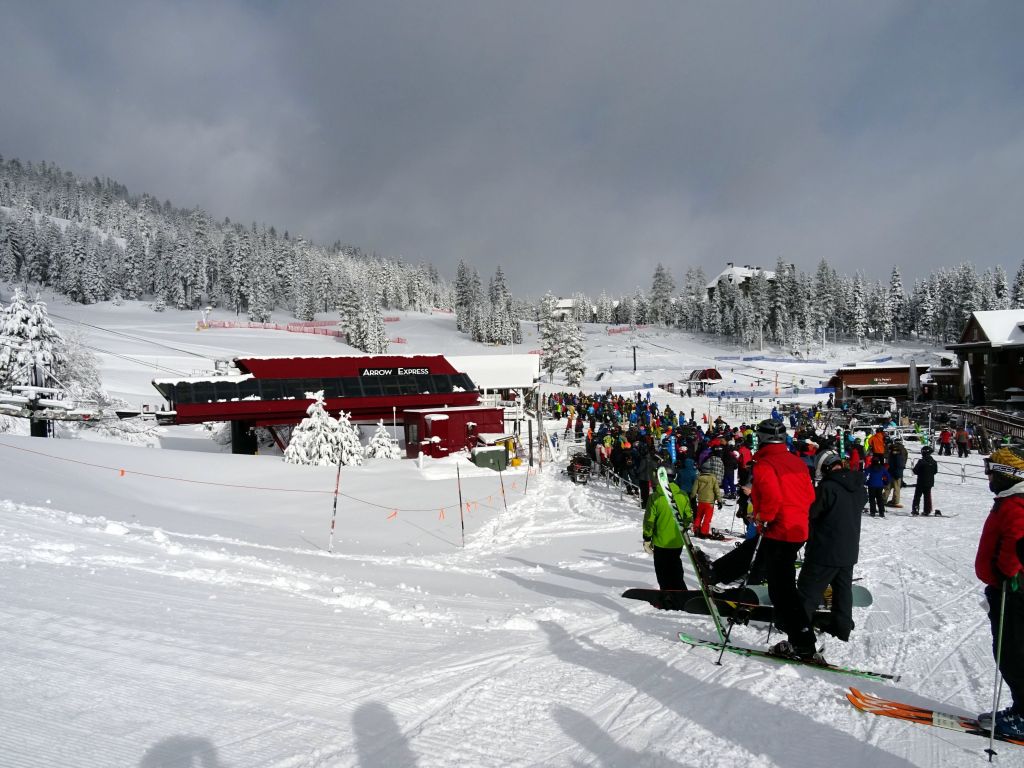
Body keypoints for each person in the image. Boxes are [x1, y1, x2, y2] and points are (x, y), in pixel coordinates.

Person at [749, 419, 817, 660]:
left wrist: (762, 518)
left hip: (779, 531)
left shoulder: (765, 464)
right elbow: (810, 495)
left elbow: (772, 499)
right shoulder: (796, 461)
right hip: (798, 529)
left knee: (783, 591)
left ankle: (803, 642)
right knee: (783, 587)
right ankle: (798, 637)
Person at [792, 450, 866, 644]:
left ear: (824, 468)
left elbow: (812, 514)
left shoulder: (827, 488)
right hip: (848, 550)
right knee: (842, 591)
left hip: (824, 550)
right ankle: (841, 628)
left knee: (808, 591)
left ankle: (800, 634)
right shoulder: (857, 487)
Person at [975, 447, 1024, 738]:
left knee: (1013, 654)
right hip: (1005, 589)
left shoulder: (1017, 504)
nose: (988, 476)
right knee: (1009, 652)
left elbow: (1017, 544)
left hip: (1013, 592)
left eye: (992, 471)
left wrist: (1004, 573)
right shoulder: (1010, 500)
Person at [642, 469, 694, 590]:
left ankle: (667, 593)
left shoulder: (655, 497)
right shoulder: (683, 495)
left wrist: (647, 538)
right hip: (677, 540)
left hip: (661, 542)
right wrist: (685, 526)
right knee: (675, 565)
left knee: (662, 570)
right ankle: (680, 589)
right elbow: (688, 517)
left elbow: (649, 520)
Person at [692, 461, 724, 538]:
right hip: (709, 503)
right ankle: (704, 532)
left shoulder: (699, 478)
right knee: (707, 519)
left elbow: (694, 489)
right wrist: (719, 501)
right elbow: (717, 490)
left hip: (701, 501)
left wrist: (692, 497)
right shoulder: (713, 478)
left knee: (699, 516)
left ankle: (696, 530)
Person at [911, 445, 939, 516]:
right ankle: (927, 510)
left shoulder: (921, 461)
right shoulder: (934, 462)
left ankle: (915, 509)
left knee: (917, 496)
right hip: (929, 482)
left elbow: (915, 471)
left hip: (921, 481)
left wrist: (921, 472)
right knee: (927, 496)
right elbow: (935, 471)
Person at [883, 439, 908, 508]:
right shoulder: (903, 450)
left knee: (888, 486)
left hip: (891, 471)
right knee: (896, 487)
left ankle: (884, 499)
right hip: (898, 471)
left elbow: (886, 457)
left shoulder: (891, 451)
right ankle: (895, 500)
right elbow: (904, 460)